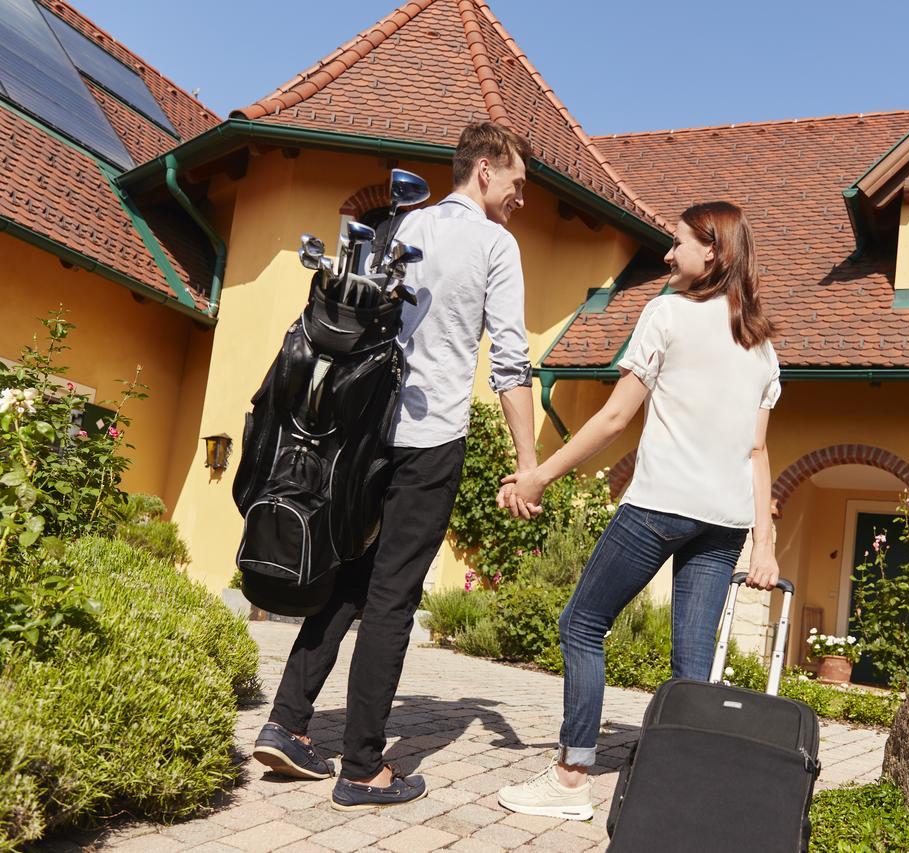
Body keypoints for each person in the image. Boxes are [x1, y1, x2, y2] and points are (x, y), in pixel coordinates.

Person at [252, 122, 538, 810]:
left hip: (360, 432)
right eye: (518, 184)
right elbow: (508, 363)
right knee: (393, 596)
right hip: (430, 435)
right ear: (486, 170)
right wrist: (529, 459)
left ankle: (288, 721)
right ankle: (362, 767)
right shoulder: (495, 244)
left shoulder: (398, 225)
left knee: (346, 575)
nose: (520, 200)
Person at [493, 201, 783, 820]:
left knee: (581, 624)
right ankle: (685, 790)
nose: (668, 254)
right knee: (692, 665)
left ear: (715, 253)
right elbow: (758, 451)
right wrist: (765, 543)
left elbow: (617, 416)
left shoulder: (666, 314)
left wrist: (539, 474)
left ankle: (571, 778)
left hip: (660, 506)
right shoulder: (760, 346)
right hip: (726, 521)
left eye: (678, 243)